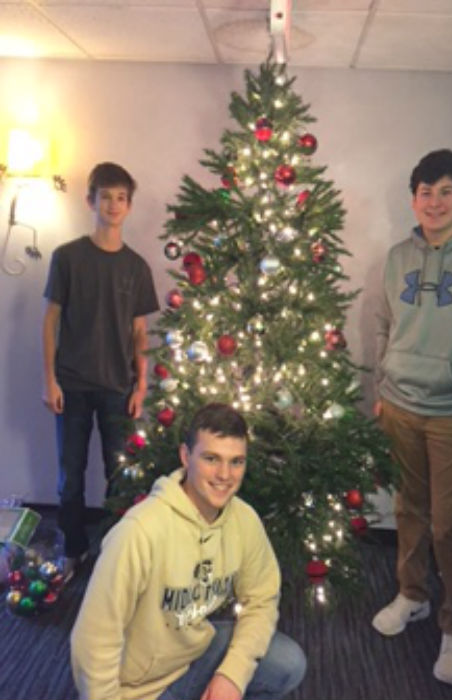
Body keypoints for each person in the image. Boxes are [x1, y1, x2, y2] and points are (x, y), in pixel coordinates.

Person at [70, 403, 306, 700]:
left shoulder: (244, 520)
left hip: (190, 659)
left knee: (288, 662)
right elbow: (93, 640)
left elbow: (262, 598)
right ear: (185, 456)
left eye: (236, 462)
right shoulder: (138, 531)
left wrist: (231, 676)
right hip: (137, 689)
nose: (225, 475)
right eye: (211, 459)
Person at [372, 149, 452, 686]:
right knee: (409, 511)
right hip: (401, 405)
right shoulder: (399, 255)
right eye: (425, 191)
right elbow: (384, 323)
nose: (435, 201)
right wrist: (382, 386)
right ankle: (412, 595)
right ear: (414, 199)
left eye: (446, 191)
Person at [42, 162, 159, 582]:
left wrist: (141, 384)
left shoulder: (136, 267)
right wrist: (50, 379)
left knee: (120, 476)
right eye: (105, 196)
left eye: (121, 198)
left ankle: (113, 553)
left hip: (117, 387)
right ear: (90, 201)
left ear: (129, 207)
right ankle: (72, 550)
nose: (113, 204)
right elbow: (51, 319)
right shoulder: (67, 257)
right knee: (70, 477)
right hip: (71, 385)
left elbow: (139, 330)